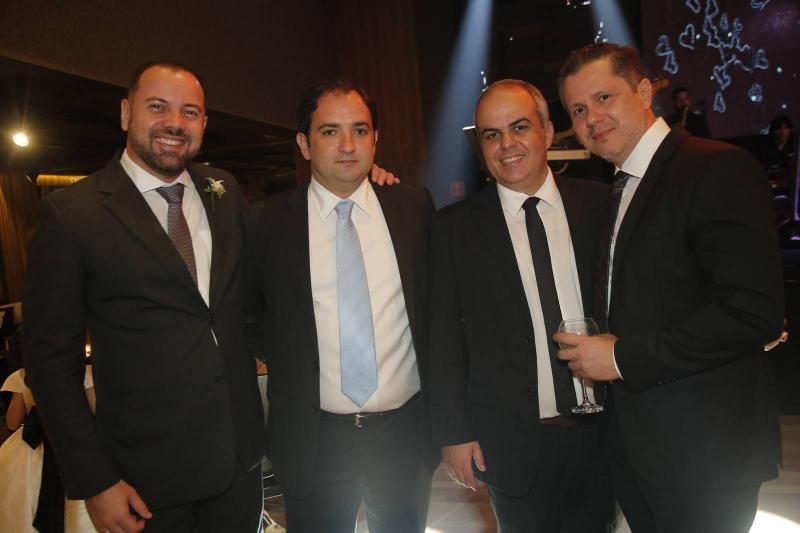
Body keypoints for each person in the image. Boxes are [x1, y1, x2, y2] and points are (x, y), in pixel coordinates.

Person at [23, 61, 268, 533]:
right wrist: (95, 481)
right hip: (146, 482)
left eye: (190, 112)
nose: (175, 123)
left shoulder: (224, 190)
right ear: (125, 113)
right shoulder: (71, 215)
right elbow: (50, 363)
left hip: (239, 466)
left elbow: (243, 303)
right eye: (158, 106)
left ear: (204, 124)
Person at [556, 43, 784, 533]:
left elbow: (752, 312)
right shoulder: (617, 189)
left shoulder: (715, 166)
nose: (591, 118)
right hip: (636, 448)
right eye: (577, 110)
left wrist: (620, 358)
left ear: (643, 92)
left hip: (705, 454)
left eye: (603, 98)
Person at [246, 79, 436, 532]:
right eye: (330, 131)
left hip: (405, 436)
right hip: (314, 441)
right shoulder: (266, 223)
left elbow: (438, 313)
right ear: (304, 144)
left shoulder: (413, 208)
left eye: (360, 130)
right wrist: (298, 363)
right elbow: (249, 319)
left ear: (375, 140)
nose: (348, 145)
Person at [427, 79, 615, 532]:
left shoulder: (602, 205)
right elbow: (442, 339)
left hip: (607, 434)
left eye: (519, 127)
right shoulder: (453, 230)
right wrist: (454, 432)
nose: (507, 144)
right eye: (492, 134)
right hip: (511, 442)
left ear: (547, 132)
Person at [0, 367, 95, 533]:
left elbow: (13, 422)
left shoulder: (22, 374)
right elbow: (95, 412)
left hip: (32, 445)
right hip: (73, 444)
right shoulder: (84, 372)